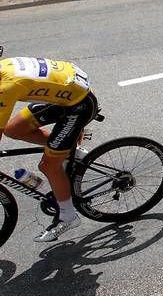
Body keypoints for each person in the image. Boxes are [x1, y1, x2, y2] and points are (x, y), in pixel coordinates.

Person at [1, 56, 98, 242]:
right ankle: (69, 151)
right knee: (14, 129)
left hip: (80, 106)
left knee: (48, 166)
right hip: (67, 93)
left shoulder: (6, 88)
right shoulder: (4, 68)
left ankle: (68, 216)